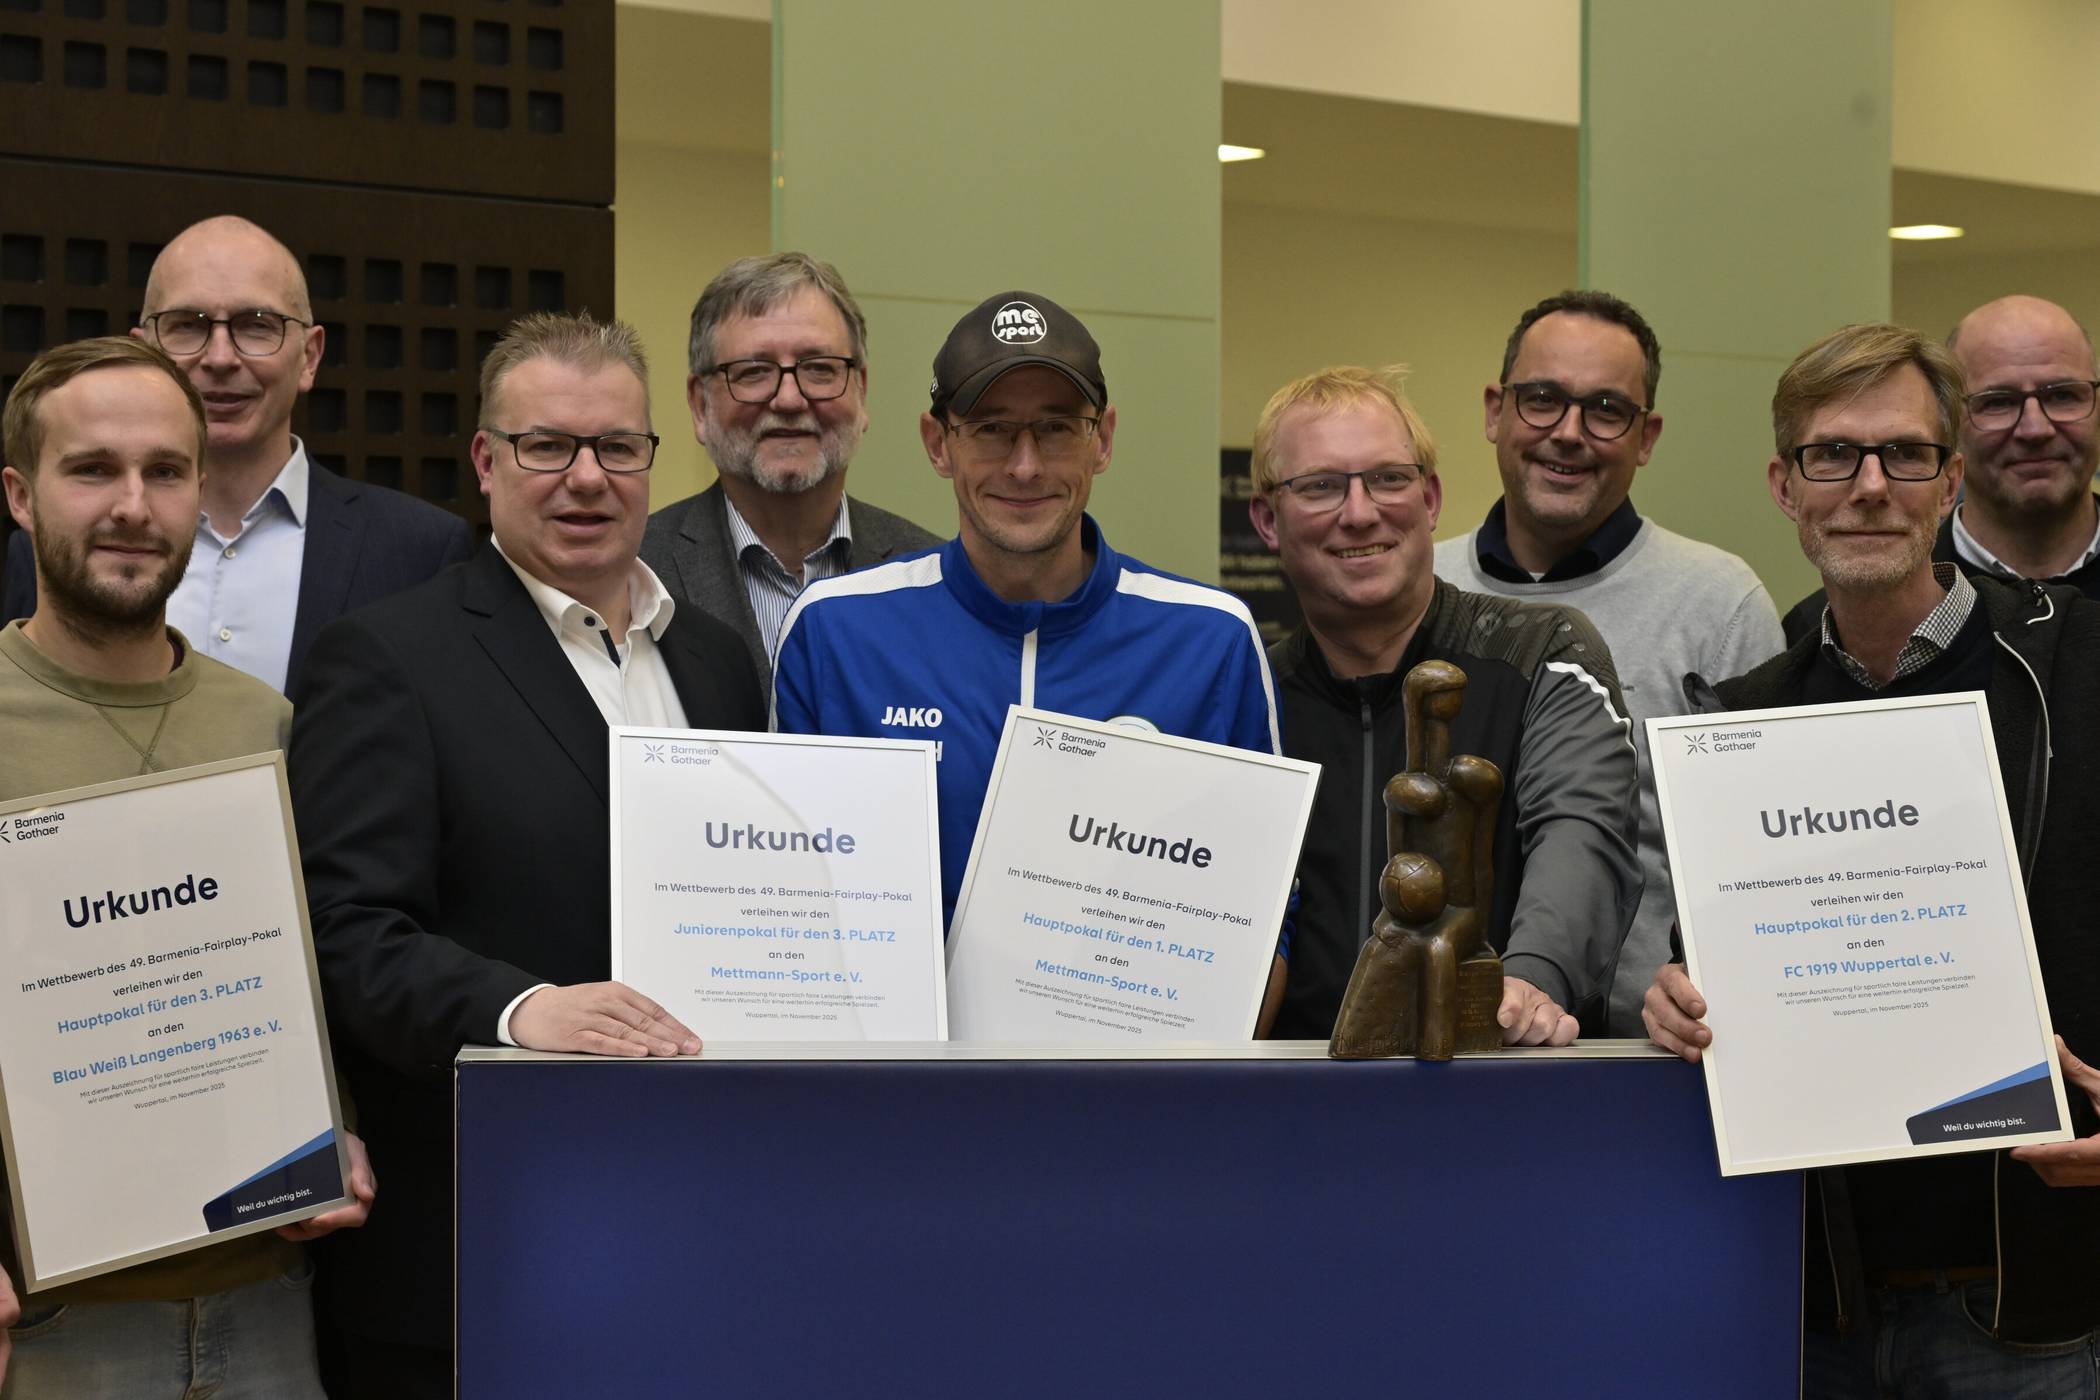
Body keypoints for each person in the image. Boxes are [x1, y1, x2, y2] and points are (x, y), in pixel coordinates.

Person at [287, 312, 764, 1397]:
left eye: (616, 446)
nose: (585, 477)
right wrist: (518, 1010)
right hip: (476, 1249)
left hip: (694, 1227)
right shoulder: (388, 655)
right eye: (547, 445)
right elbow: (345, 933)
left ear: (654, 458)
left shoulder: (717, 660)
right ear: (487, 462)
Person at [1645, 322, 2100, 1393]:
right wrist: (1677, 995)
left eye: (1902, 454)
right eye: (1832, 454)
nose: (1867, 485)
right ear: (1783, 485)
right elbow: (1711, 958)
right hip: (1814, 1303)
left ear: (1948, 481)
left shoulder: (2075, 665)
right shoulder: (1747, 718)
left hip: (2038, 1298)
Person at [1, 336, 374, 1398]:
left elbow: (305, 965)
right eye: (92, 469)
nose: (133, 503)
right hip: (59, 1325)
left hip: (269, 1299)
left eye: (166, 471)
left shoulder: (263, 720)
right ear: (21, 495)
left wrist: (331, 1121)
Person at [770, 290, 1285, 1021]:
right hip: (898, 1108)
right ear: (937, 441)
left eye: (1055, 428)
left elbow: (1262, 921)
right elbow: (789, 905)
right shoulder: (836, 633)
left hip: (1134, 1110)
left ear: (1102, 439)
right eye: (990, 429)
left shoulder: (1211, 640)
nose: (1023, 466)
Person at [1252, 365, 1640, 1043]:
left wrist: (1531, 981)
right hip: (1294, 1106)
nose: (1360, 512)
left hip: (1502, 1080)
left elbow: (1583, 832)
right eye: (1319, 487)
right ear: (1267, 519)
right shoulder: (1250, 691)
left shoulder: (1543, 652)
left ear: (1430, 499)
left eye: (1388, 479)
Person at [1435, 290, 1781, 1034]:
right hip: (1431, 1049)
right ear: (1495, 409)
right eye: (1542, 400)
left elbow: (1760, 862)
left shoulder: (1719, 604)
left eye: (1605, 410)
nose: (1569, 433)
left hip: (1648, 1062)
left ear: (1646, 434)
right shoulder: (1422, 595)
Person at [2, 215, 472, 693]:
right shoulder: (46, 544)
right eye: (187, 325)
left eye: (257, 325)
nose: (221, 358)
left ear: (309, 357)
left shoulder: (420, 550)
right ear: (143, 352)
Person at [641, 253, 937, 689]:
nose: (789, 399)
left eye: (819, 369)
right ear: (700, 405)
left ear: (861, 392)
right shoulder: (636, 571)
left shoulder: (932, 576)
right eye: (754, 372)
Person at [1779, 295, 2100, 641]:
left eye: (2064, 396)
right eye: (1997, 402)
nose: (2035, 429)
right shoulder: (1821, 633)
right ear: (1951, 427)